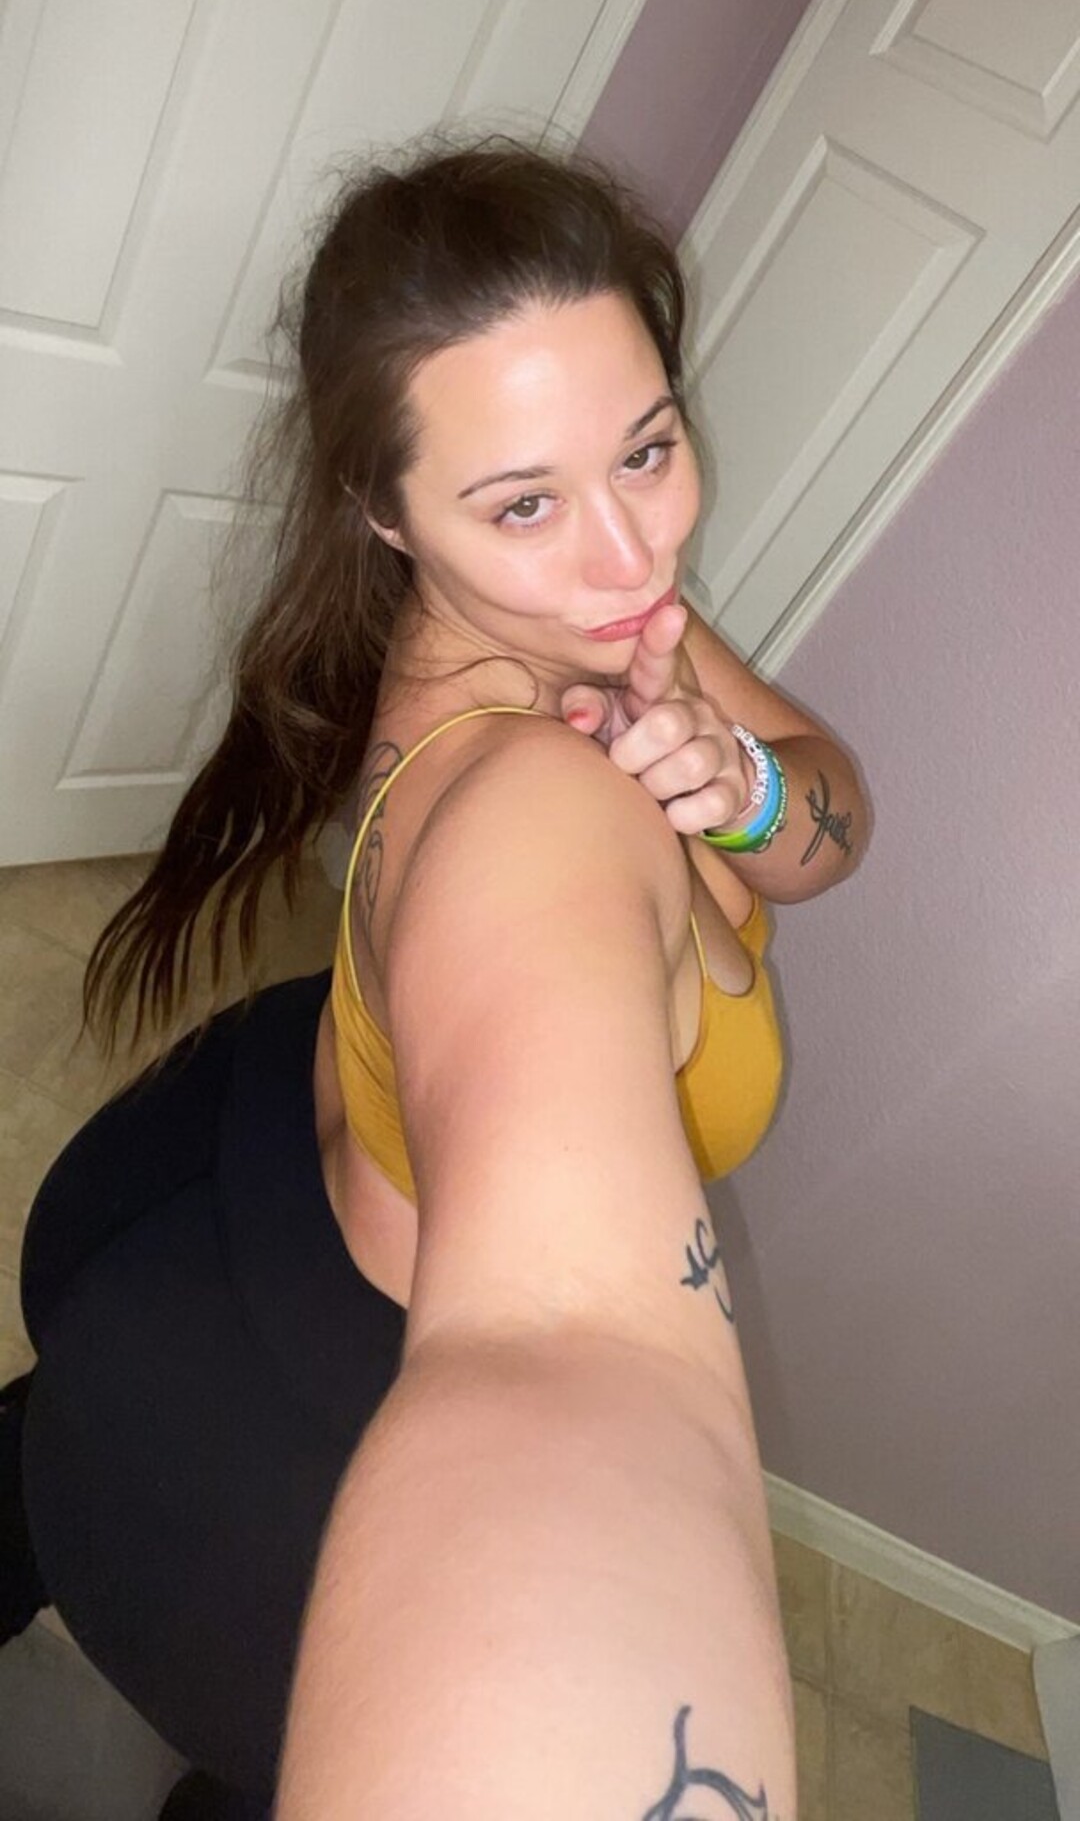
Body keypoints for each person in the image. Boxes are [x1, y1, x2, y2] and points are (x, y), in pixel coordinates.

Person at [8, 138, 866, 1817]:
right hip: (290, 1415)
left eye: (649, 448)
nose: (633, 555)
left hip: (237, 1158)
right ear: (384, 508)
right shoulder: (535, 812)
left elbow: (834, 819)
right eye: (525, 500)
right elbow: (576, 1351)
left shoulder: (590, 615)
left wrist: (746, 785)